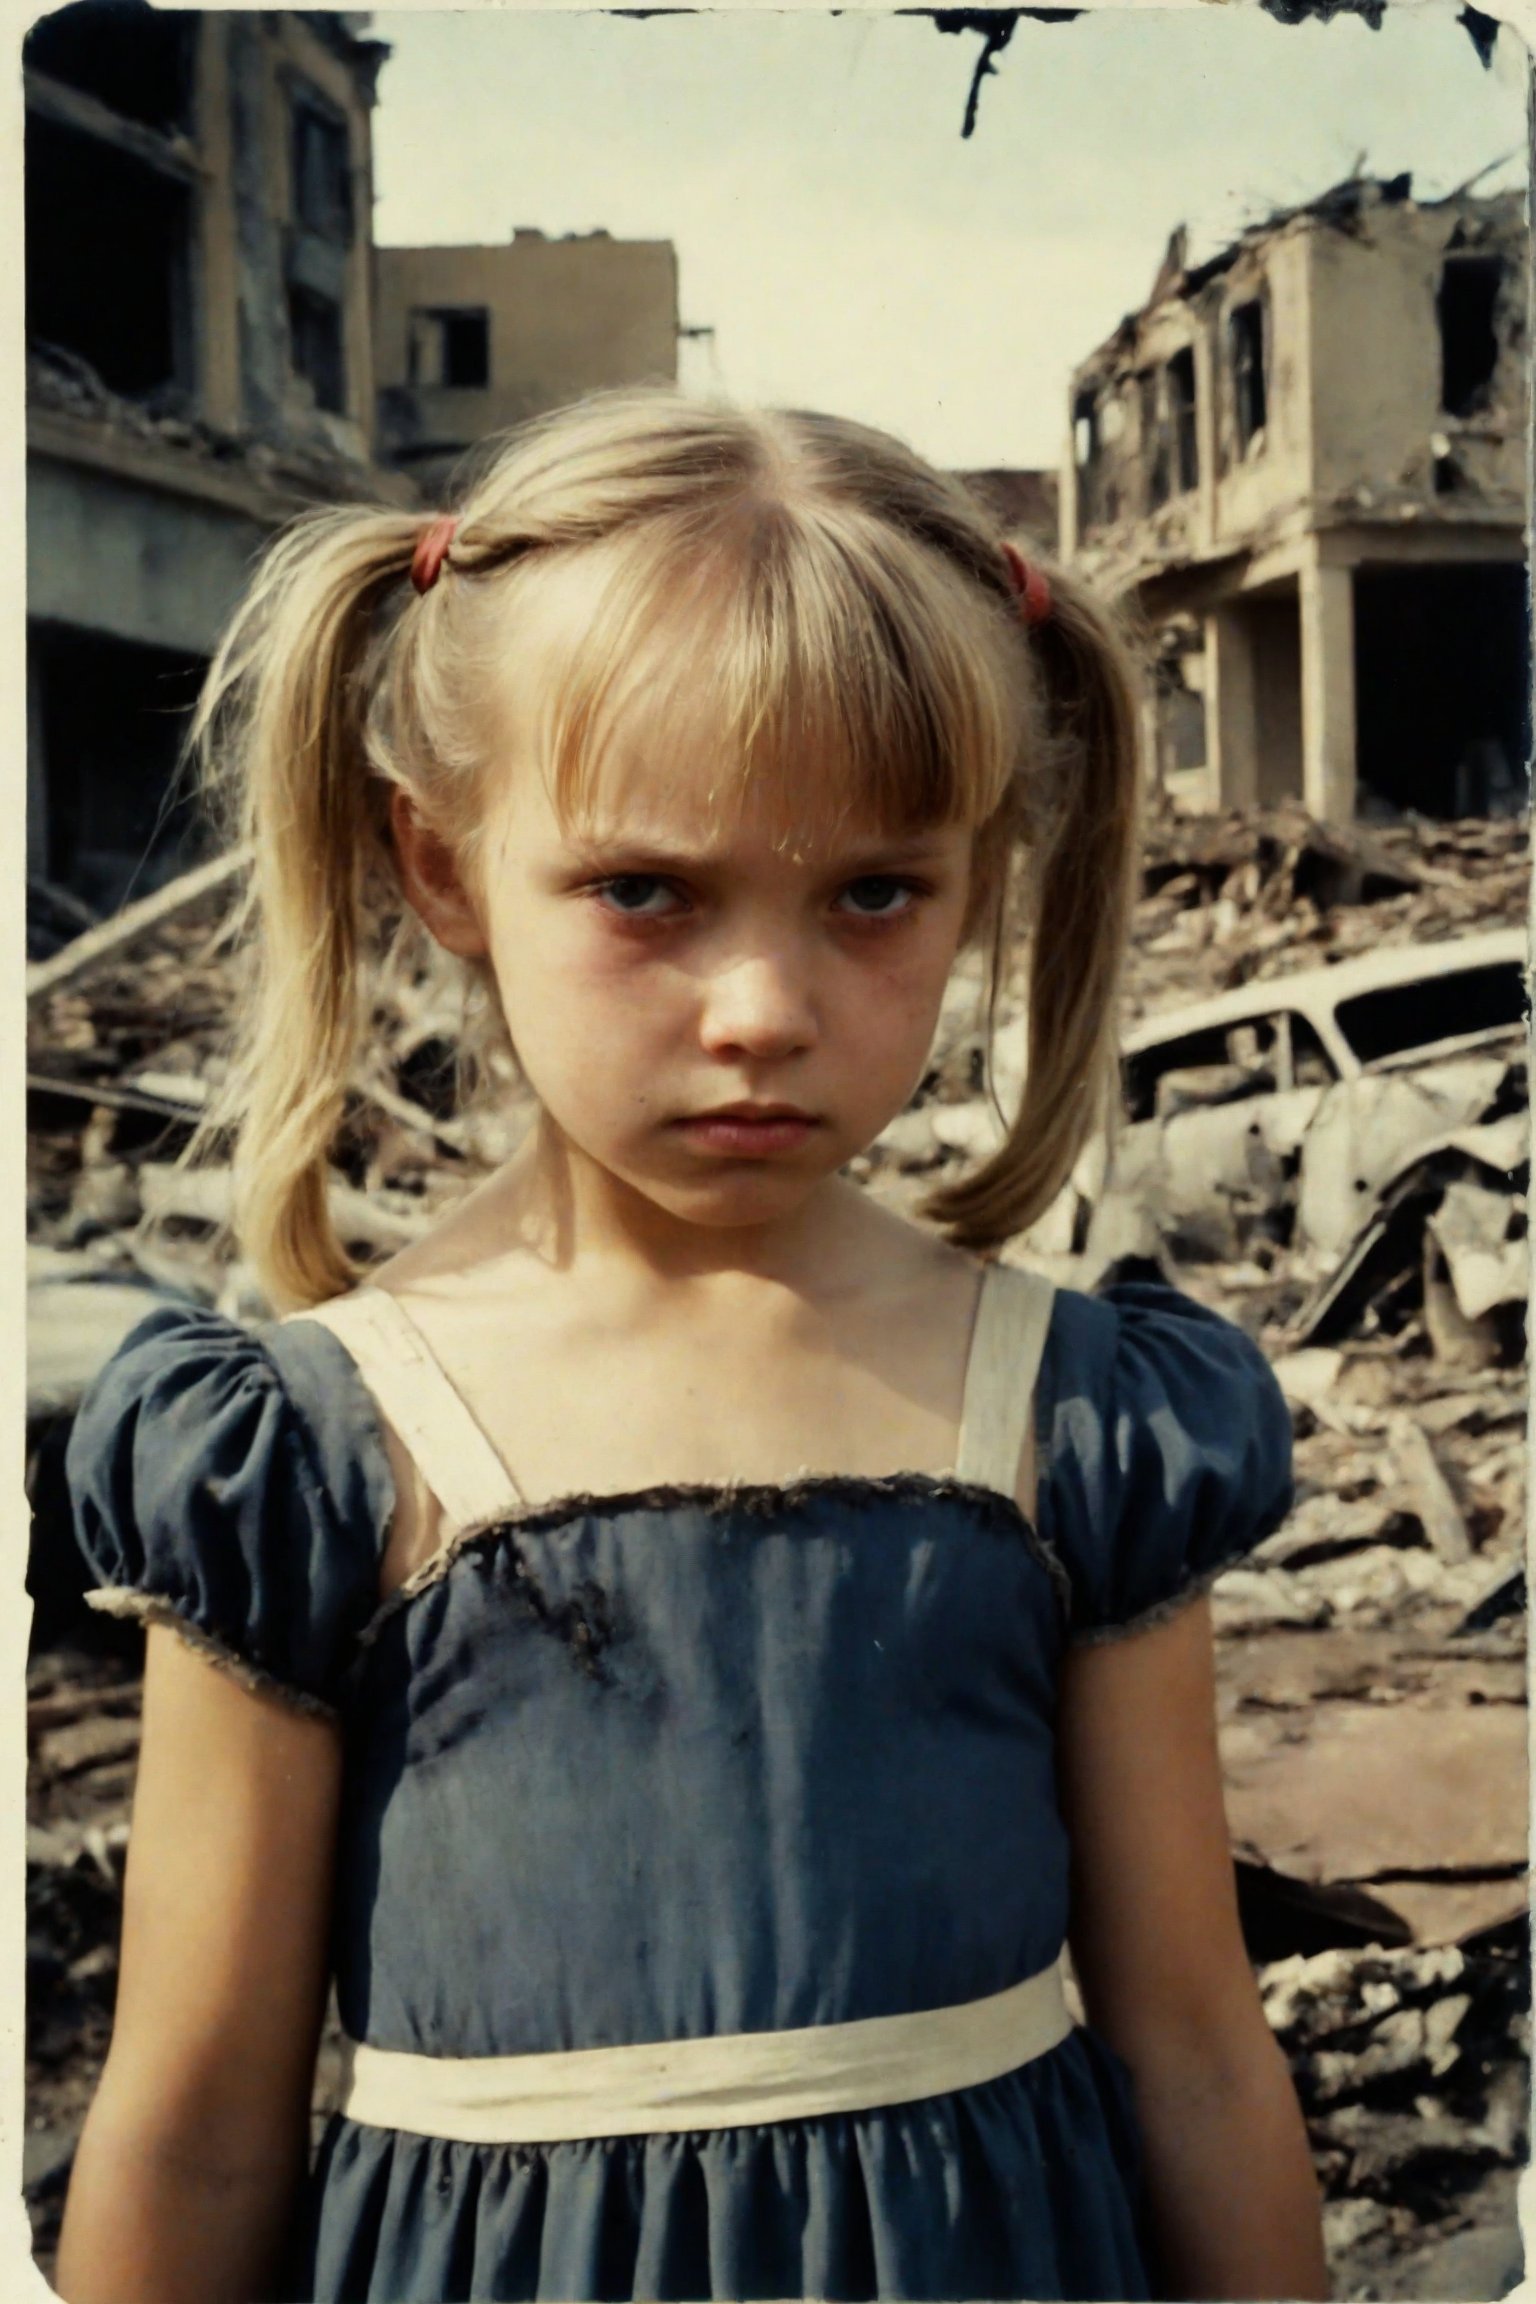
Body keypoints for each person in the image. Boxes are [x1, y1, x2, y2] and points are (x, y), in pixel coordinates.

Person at [55, 389, 1328, 2304]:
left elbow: (1194, 2048)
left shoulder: (1070, 1412)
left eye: (873, 894)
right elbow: (200, 2126)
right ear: (442, 865)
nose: (764, 1008)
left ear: (981, 877)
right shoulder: (313, 1453)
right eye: (645, 890)